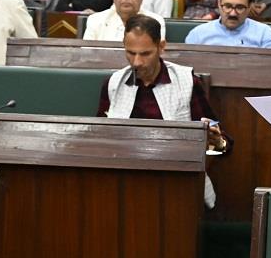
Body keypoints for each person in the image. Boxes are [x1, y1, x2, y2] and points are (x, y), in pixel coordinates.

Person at [96, 14, 229, 208]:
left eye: (145, 54)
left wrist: (216, 142)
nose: (136, 62)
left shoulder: (187, 82)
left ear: (161, 46)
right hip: (124, 179)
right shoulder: (113, 84)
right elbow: (99, 140)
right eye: (130, 53)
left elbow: (222, 145)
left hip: (176, 182)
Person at [185, 0, 271, 48]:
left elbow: (270, 65)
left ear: (249, 7)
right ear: (219, 4)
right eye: (228, 6)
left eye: (240, 7)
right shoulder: (197, 34)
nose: (233, 13)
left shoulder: (264, 33)